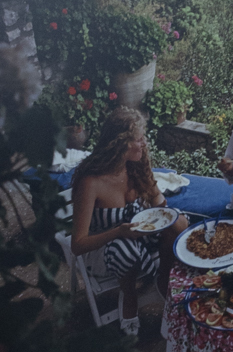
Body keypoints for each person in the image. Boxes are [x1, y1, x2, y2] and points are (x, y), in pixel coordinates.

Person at [68, 108, 165, 327]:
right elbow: (78, 245)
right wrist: (118, 232)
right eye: (139, 139)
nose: (145, 143)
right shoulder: (91, 182)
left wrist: (149, 179)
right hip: (102, 249)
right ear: (121, 143)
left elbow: (160, 205)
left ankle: (164, 281)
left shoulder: (134, 167)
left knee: (180, 222)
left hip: (136, 237)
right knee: (125, 248)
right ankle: (130, 299)